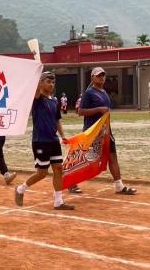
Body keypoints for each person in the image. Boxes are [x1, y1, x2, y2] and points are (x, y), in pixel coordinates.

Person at [14, 71, 75, 210]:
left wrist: (62, 135)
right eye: (48, 81)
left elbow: (57, 120)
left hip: (53, 140)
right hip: (40, 141)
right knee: (42, 173)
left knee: (58, 169)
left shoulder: (54, 101)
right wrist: (37, 73)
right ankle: (20, 189)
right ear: (41, 83)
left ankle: (58, 201)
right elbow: (35, 89)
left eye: (53, 82)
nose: (51, 84)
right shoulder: (37, 98)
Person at [77, 67, 137, 195]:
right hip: (92, 132)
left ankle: (119, 186)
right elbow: (80, 112)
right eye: (99, 76)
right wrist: (99, 109)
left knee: (112, 156)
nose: (102, 78)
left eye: (103, 75)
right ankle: (71, 182)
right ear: (92, 78)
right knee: (87, 159)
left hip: (105, 131)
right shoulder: (89, 93)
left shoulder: (104, 92)